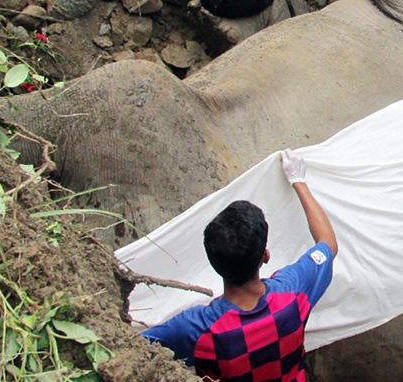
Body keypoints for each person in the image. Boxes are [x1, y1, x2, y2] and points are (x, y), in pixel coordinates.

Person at [143, 150, 337, 381]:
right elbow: (328, 243)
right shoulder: (293, 291)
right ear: (265, 255)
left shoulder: (195, 327)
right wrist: (298, 181)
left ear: (213, 265)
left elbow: (136, 345)